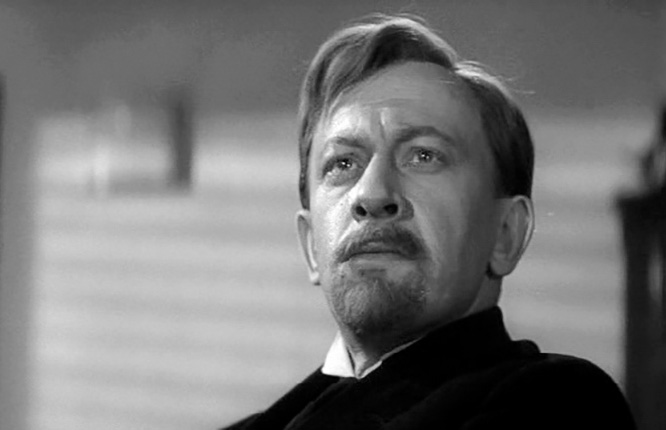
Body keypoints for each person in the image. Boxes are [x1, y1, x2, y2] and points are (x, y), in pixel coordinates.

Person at [224, 14, 635, 430]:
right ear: (311, 245)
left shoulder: (560, 402)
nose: (372, 195)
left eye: (424, 155)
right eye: (343, 163)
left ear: (505, 234)